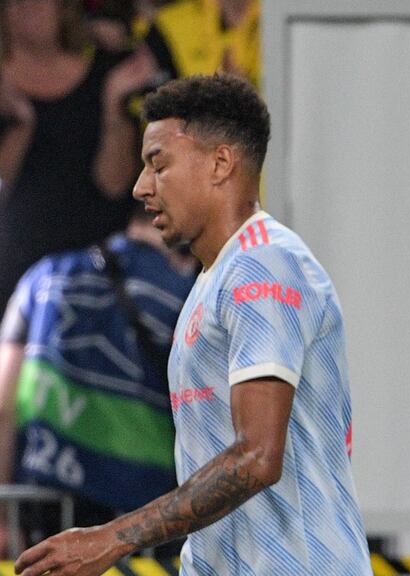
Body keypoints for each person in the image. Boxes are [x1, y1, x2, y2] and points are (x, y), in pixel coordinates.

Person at [13, 74, 372, 576]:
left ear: (221, 164)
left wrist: (113, 537)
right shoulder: (214, 279)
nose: (140, 186)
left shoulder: (262, 264)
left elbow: (257, 457)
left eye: (158, 164)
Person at [0, 204, 196, 553]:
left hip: (40, 509)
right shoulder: (184, 298)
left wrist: (2, 516)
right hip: (140, 526)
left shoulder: (44, 276)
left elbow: (2, 404)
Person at [0, 0, 159, 317]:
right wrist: (21, 126)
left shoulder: (106, 71)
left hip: (97, 281)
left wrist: (113, 106)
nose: (29, 7)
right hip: (15, 281)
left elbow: (114, 185)